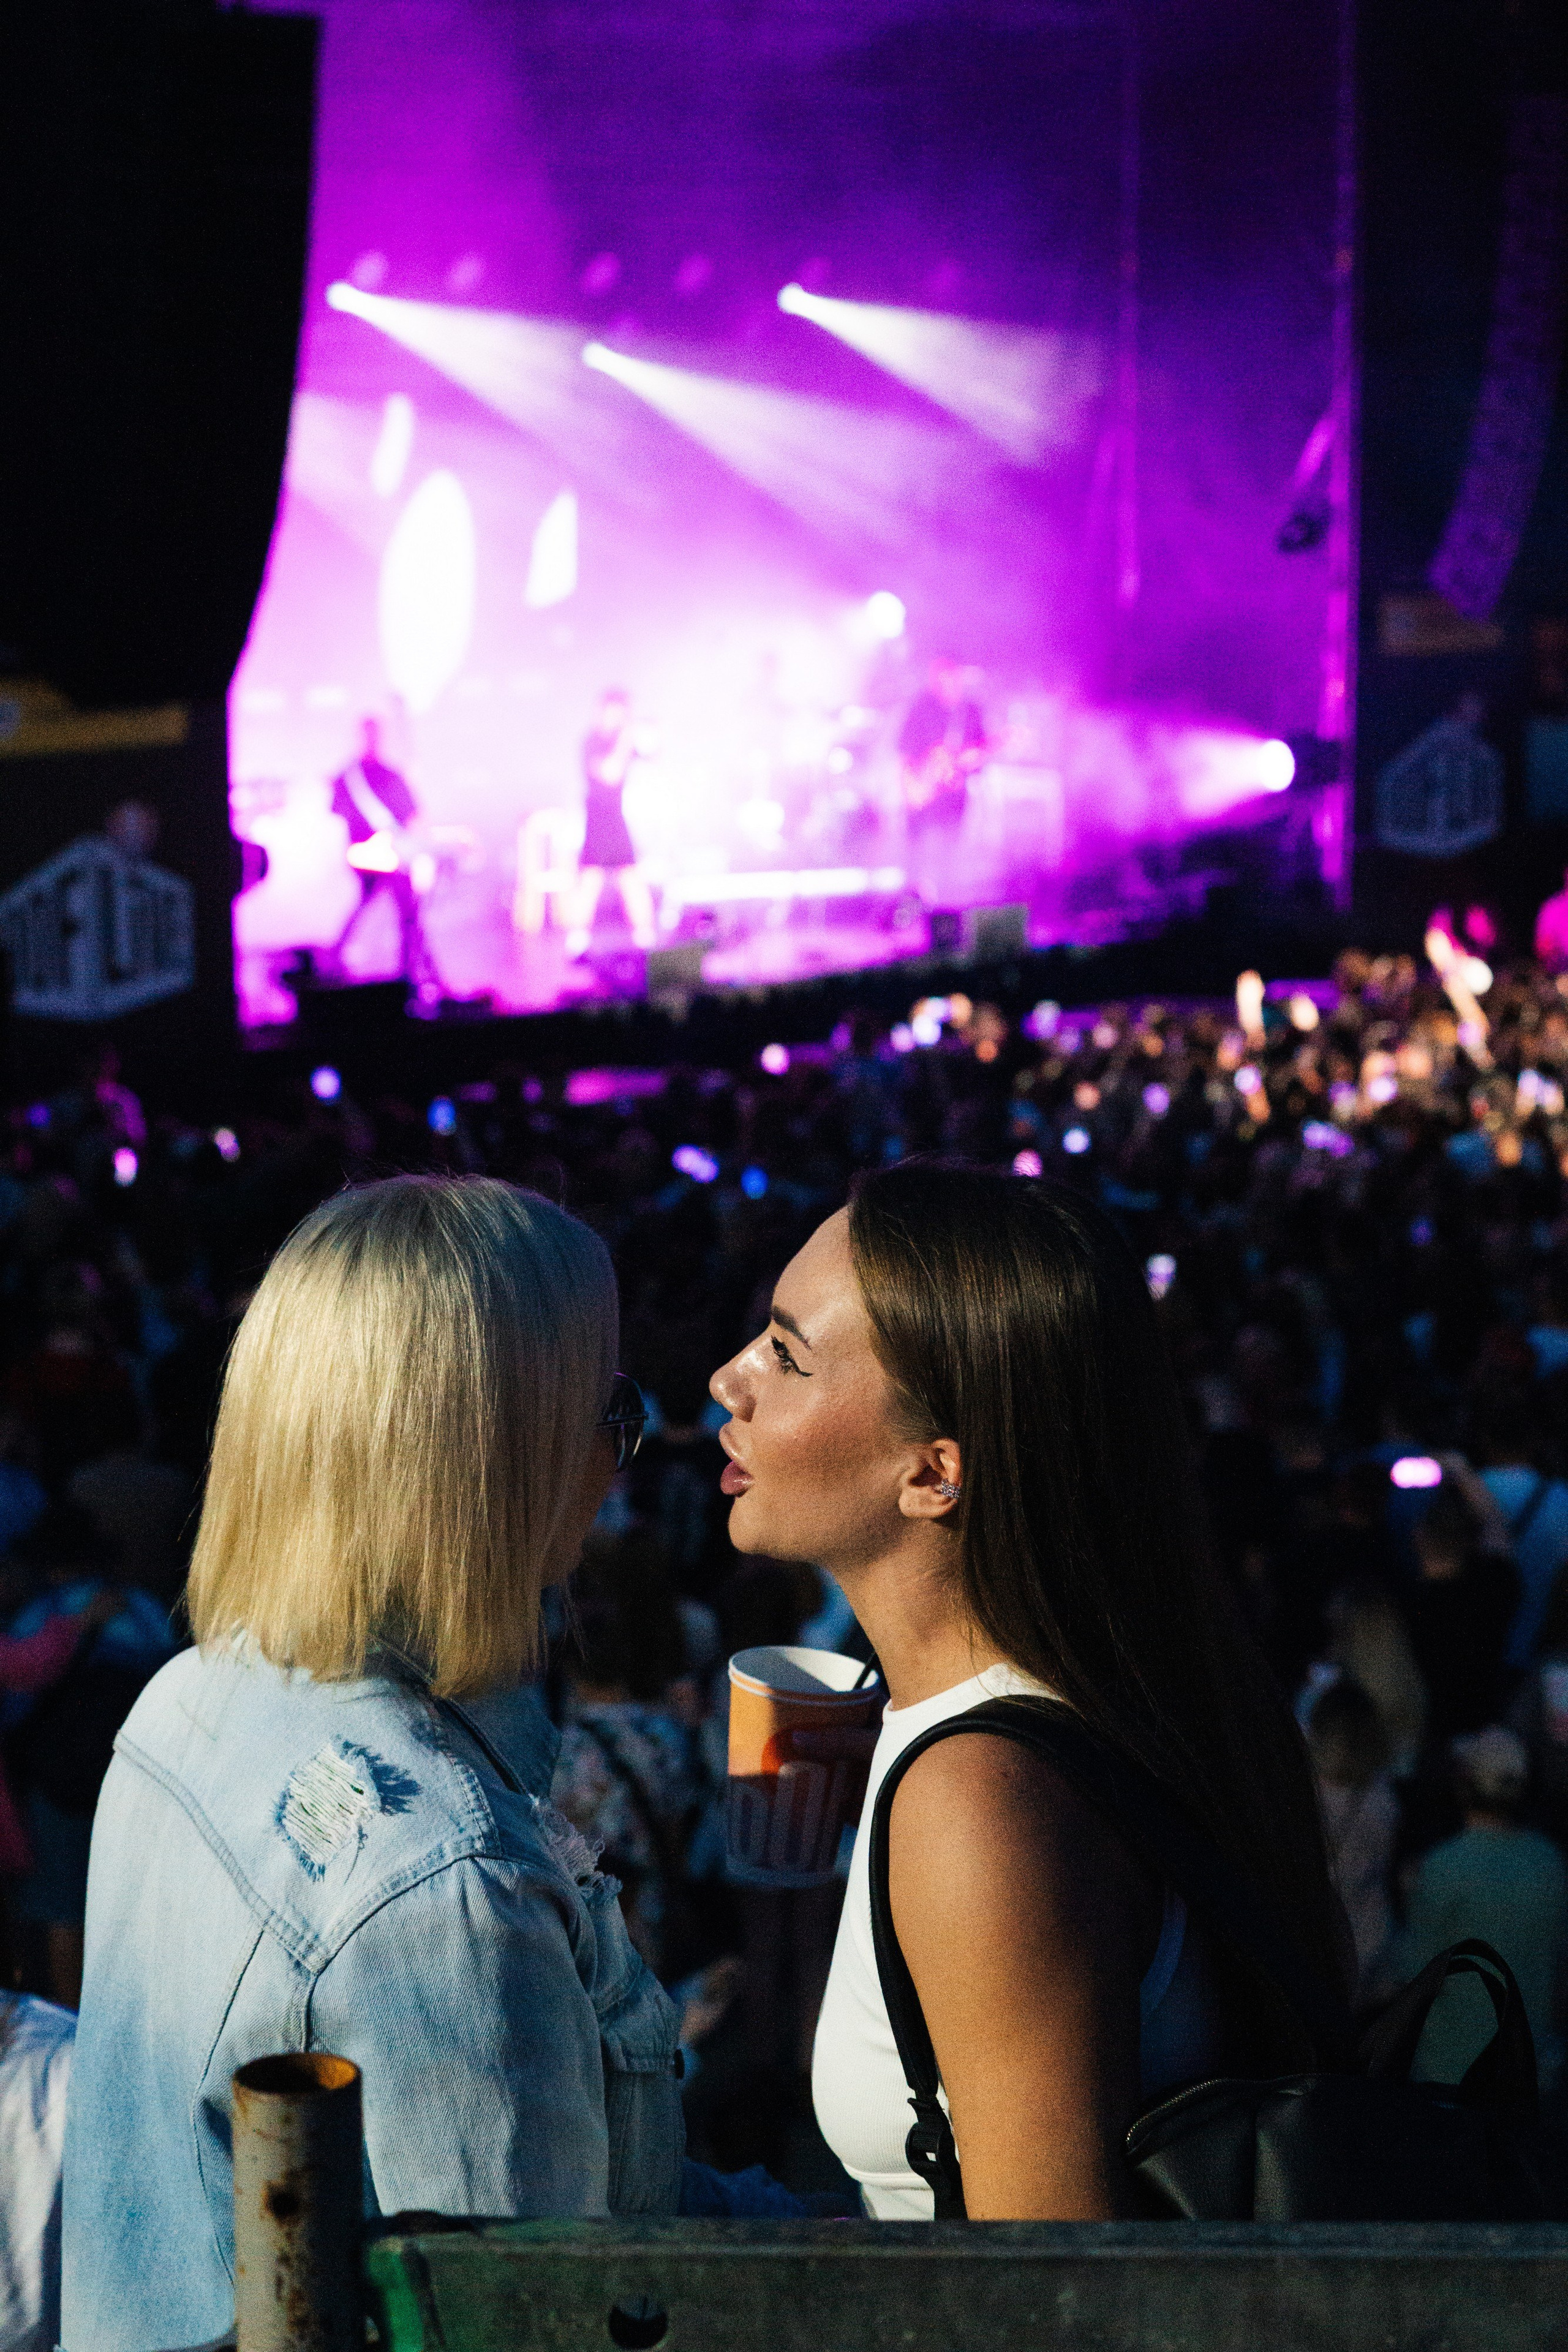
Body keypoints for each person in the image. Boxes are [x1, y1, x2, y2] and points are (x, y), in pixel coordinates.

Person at [61, 1177, 684, 2352]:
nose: (623, 1451)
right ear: (501, 1461)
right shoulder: (443, 1890)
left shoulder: (191, 1695)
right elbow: (527, 2328)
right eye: (606, 1406)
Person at [709, 1163, 1348, 2220]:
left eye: (786, 1355)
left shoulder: (983, 1799)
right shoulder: (1090, 1714)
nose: (731, 1380)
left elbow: (1047, 2302)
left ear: (933, 1473)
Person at [1401, 1727, 1568, 2094]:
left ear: (1463, 1786)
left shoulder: (1442, 1866)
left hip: (1449, 2069)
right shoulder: (1552, 1865)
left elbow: (1415, 1973)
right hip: (1531, 2068)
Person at [328, 715, 430, 982]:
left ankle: (407, 968)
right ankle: (336, 957)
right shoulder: (346, 779)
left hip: (393, 857)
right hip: (366, 858)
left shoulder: (391, 775)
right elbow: (338, 815)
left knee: (405, 911)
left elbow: (411, 816)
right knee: (385, 907)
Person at [568, 689, 657, 957]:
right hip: (597, 817)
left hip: (616, 817)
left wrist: (647, 733)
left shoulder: (624, 741)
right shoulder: (592, 741)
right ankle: (577, 940)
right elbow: (610, 774)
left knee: (630, 877)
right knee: (590, 879)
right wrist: (626, 741)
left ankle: (645, 937)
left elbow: (654, 754)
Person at [896, 658, 987, 902]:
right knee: (918, 856)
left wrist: (973, 762)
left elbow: (980, 754)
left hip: (954, 798)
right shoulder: (921, 708)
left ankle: (946, 908)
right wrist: (911, 788)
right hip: (922, 797)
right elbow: (904, 752)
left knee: (949, 854)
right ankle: (912, 906)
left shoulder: (971, 711)